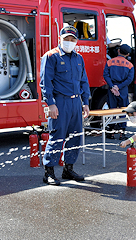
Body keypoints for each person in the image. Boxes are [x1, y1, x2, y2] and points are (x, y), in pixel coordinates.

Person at [40, 25, 90, 185]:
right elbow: (45, 83)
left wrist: (85, 102)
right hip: (59, 102)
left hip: (76, 102)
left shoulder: (78, 58)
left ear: (76, 41)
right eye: (66, 39)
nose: (69, 42)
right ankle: (49, 172)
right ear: (59, 39)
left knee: (75, 137)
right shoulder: (51, 56)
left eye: (72, 39)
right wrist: (50, 104)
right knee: (56, 137)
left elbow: (84, 81)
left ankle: (68, 169)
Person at [103, 44, 134, 140]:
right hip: (123, 89)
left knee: (112, 110)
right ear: (128, 54)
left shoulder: (110, 62)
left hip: (112, 89)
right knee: (123, 110)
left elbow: (105, 75)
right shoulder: (130, 65)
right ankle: (122, 133)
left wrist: (113, 86)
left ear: (118, 51)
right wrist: (119, 87)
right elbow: (129, 79)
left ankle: (111, 133)